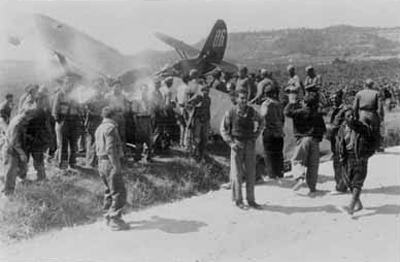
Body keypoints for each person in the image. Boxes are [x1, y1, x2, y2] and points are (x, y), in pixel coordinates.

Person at [220, 89, 265, 209]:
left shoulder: (252, 112)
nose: (243, 100)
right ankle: (238, 201)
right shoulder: (231, 112)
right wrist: (231, 143)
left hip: (250, 145)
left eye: (245, 98)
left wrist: (256, 134)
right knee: (237, 174)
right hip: (237, 144)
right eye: (241, 98)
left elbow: (262, 121)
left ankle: (251, 200)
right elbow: (223, 129)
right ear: (237, 99)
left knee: (251, 173)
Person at [284, 92, 326, 195]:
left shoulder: (300, 112)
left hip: (303, 139)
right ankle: (312, 188)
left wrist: (291, 103)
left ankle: (299, 178)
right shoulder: (317, 114)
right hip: (315, 140)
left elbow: (286, 112)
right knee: (313, 165)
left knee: (297, 160)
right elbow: (323, 129)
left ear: (305, 102)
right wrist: (318, 138)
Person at [336, 107, 375, 216]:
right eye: (348, 116)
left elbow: (373, 142)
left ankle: (351, 206)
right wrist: (341, 156)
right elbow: (339, 143)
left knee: (357, 182)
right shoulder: (342, 129)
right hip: (348, 157)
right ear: (344, 118)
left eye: (353, 115)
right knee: (349, 181)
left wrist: (367, 155)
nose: (351, 117)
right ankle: (358, 204)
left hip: (360, 157)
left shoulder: (362, 128)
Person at [95, 107, 129, 230]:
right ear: (113, 115)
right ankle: (115, 219)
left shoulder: (99, 128)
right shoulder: (111, 128)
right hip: (110, 162)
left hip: (101, 162)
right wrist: (116, 165)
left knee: (109, 191)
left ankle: (107, 216)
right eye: (117, 114)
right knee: (119, 191)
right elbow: (110, 149)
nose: (119, 116)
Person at [1, 104, 37, 196]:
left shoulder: (23, 120)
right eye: (31, 116)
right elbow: (14, 142)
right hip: (11, 151)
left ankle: (16, 181)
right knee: (11, 172)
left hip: (18, 149)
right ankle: (8, 193)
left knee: (22, 168)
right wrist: (22, 154)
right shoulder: (18, 123)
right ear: (27, 114)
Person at [52, 75, 82, 169]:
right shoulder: (60, 94)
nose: (70, 85)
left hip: (74, 121)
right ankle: (63, 166)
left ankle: (72, 163)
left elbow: (79, 108)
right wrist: (60, 122)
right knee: (62, 144)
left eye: (71, 84)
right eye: (67, 83)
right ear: (64, 84)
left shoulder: (75, 95)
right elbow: (54, 111)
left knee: (74, 144)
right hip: (63, 121)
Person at [260, 84, 285, 181]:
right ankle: (280, 173)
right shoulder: (279, 104)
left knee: (269, 153)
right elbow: (283, 119)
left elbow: (263, 114)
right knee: (278, 152)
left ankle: (271, 174)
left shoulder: (266, 103)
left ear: (266, 93)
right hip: (279, 132)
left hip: (269, 131)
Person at [353, 79, 384, 153]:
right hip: (373, 113)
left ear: (365, 85)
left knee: (362, 131)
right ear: (372, 85)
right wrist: (381, 117)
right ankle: (377, 147)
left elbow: (355, 107)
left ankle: (362, 147)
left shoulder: (359, 93)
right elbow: (380, 107)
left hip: (363, 114)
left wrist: (356, 116)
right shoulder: (376, 93)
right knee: (375, 130)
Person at [326, 90, 347, 194]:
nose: (333, 100)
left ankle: (340, 187)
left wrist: (328, 128)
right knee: (338, 162)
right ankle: (342, 184)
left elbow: (341, 126)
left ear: (340, 98)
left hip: (341, 140)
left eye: (335, 98)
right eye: (332, 98)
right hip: (335, 140)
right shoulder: (335, 110)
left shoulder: (345, 110)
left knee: (339, 162)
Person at [131, 84, 156, 162]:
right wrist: (136, 125)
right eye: (142, 90)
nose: (144, 91)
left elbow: (152, 111)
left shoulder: (149, 100)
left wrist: (151, 119)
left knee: (149, 139)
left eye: (146, 90)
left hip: (148, 120)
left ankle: (148, 156)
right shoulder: (136, 100)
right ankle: (138, 156)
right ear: (140, 90)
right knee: (139, 139)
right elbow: (134, 114)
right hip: (140, 120)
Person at [186, 85, 211, 161]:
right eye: (205, 90)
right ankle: (193, 155)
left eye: (208, 90)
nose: (206, 92)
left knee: (204, 139)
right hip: (198, 120)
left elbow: (208, 110)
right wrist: (195, 106)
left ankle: (201, 155)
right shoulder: (198, 97)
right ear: (202, 90)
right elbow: (188, 104)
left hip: (205, 120)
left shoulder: (208, 99)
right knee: (196, 138)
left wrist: (208, 122)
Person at [84, 84, 107, 168]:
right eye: (97, 88)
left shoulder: (104, 99)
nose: (98, 90)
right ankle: (90, 162)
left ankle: (96, 161)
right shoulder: (90, 99)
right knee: (91, 142)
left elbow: (106, 110)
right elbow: (86, 109)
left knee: (99, 142)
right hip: (92, 122)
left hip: (100, 121)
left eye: (100, 87)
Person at [104, 79, 130, 146]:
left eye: (119, 86)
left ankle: (122, 152)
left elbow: (127, 106)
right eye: (115, 86)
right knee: (112, 134)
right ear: (112, 87)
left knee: (121, 134)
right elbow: (105, 107)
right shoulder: (108, 96)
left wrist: (124, 110)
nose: (117, 88)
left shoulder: (123, 96)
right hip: (111, 117)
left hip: (121, 116)